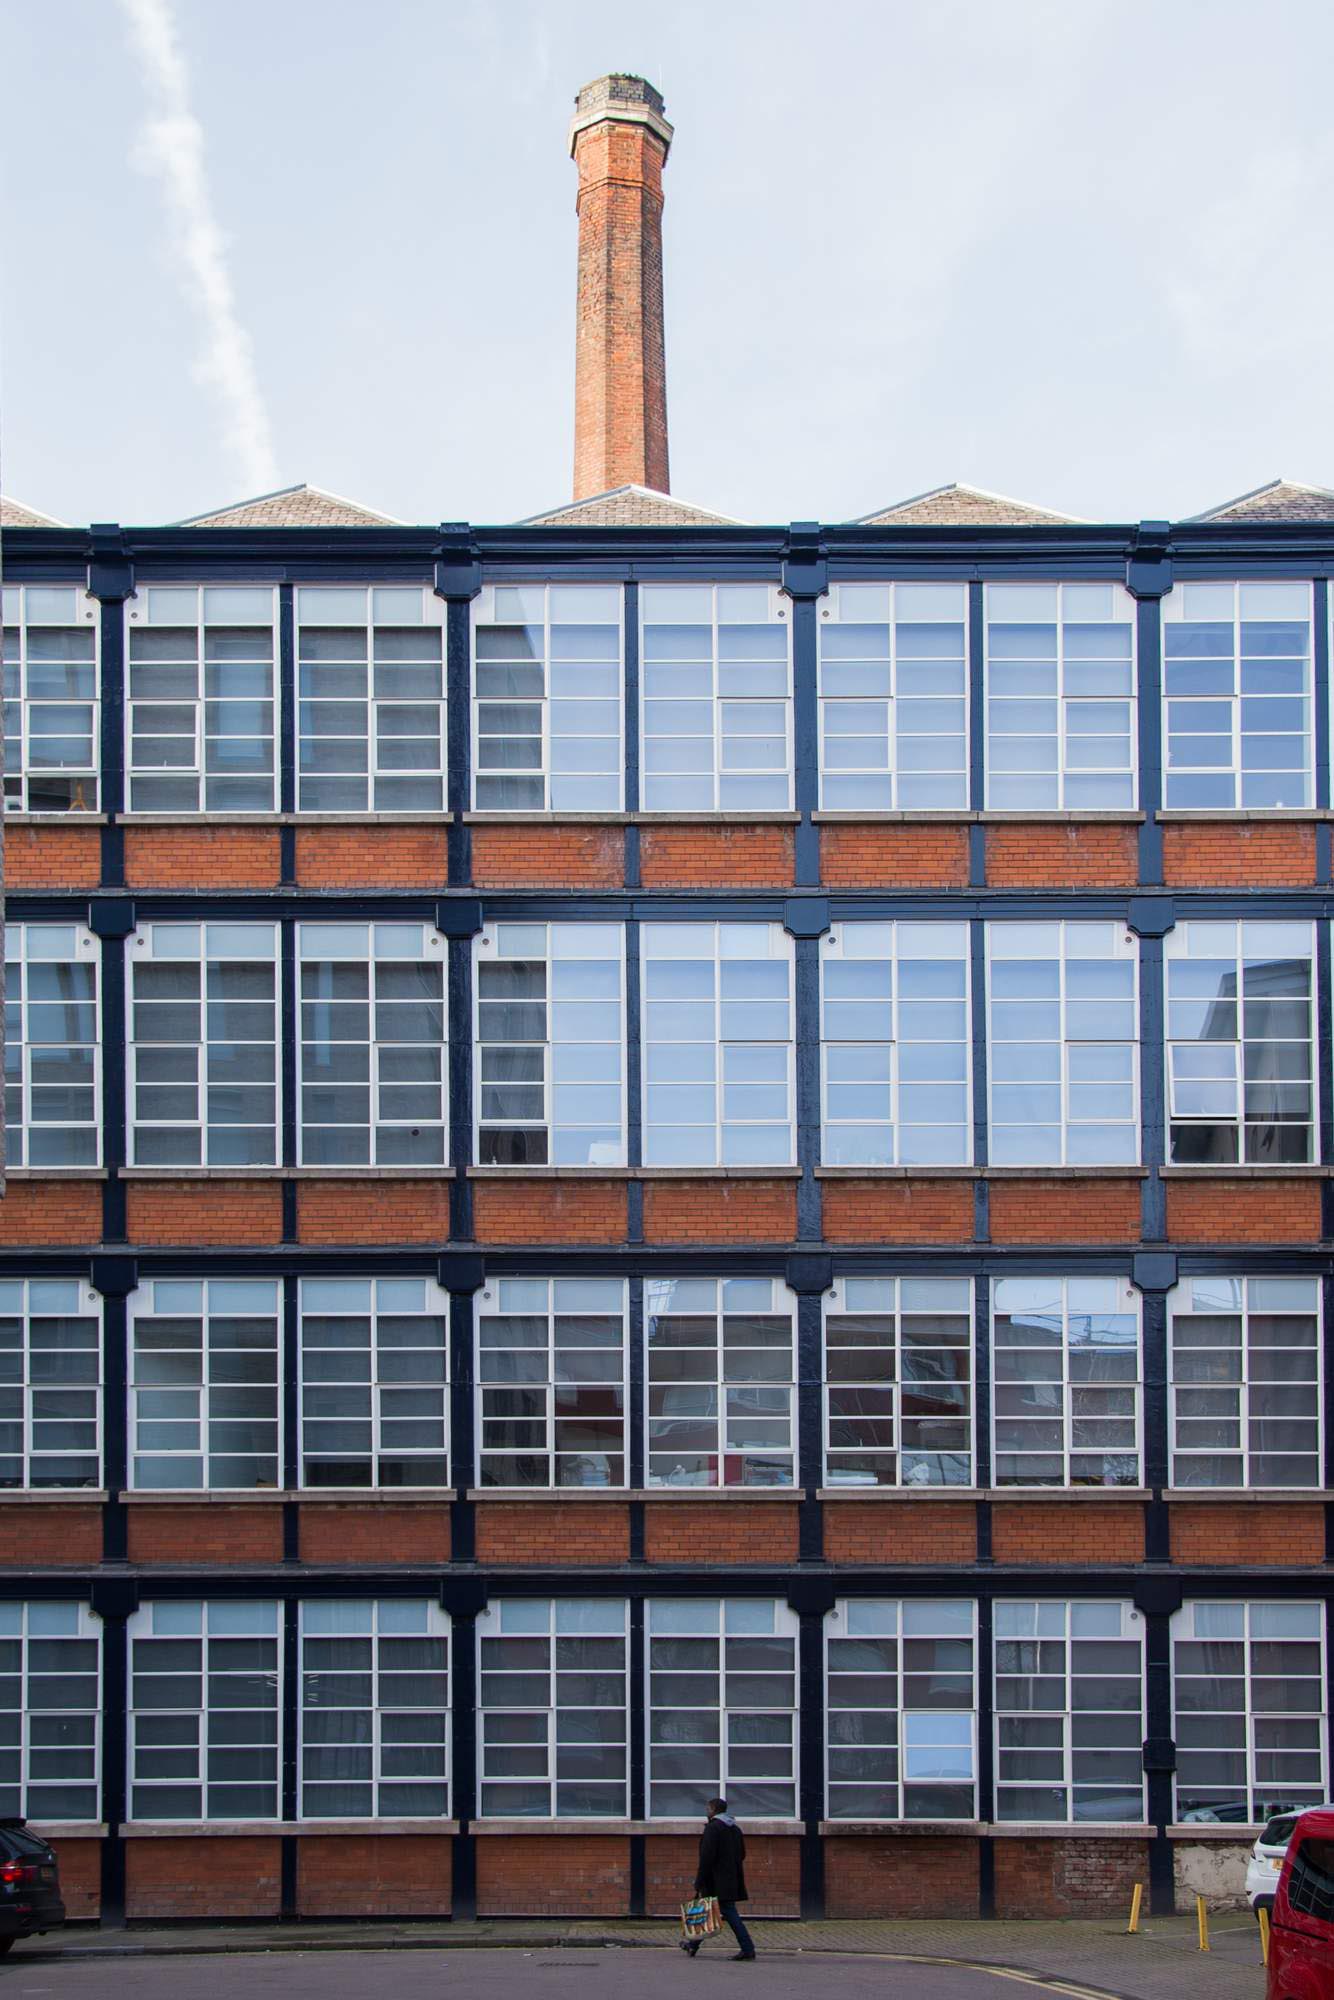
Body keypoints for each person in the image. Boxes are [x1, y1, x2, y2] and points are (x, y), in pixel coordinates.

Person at [680, 1797, 755, 1962]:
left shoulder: (713, 1829)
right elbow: (742, 1854)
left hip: (715, 1881)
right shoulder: (735, 1829)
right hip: (730, 1879)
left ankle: (748, 1948)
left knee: (727, 1912)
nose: (706, 1812)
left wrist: (699, 1880)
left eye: (708, 1809)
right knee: (709, 1912)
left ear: (713, 1810)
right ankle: (692, 1946)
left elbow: (706, 1858)